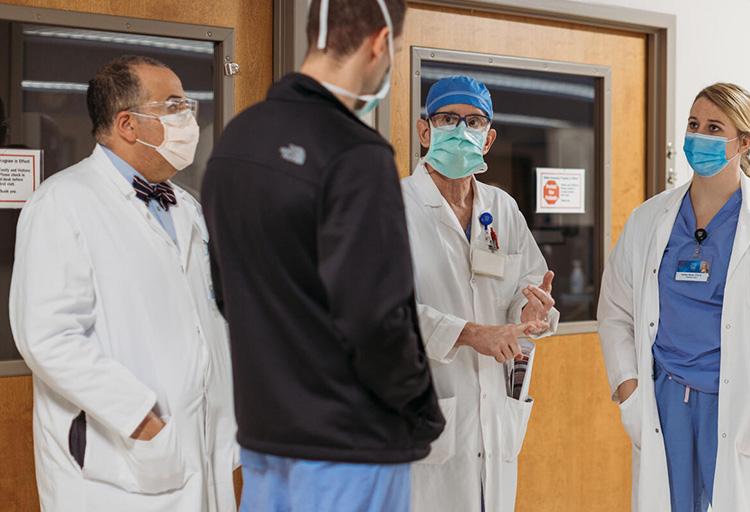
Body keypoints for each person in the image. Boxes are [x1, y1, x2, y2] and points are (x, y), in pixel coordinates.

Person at [201, 1, 444, 511]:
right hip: (350, 446)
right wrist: (421, 408)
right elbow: (376, 318)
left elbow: (226, 292)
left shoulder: (237, 139)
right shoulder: (356, 153)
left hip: (266, 440)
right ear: (380, 43)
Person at [9, 55, 237, 511]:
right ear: (128, 125)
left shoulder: (186, 208)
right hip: (123, 457)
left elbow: (204, 318)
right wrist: (141, 420)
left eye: (187, 106)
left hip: (199, 446)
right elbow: (49, 338)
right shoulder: (62, 203)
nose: (188, 119)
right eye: (173, 106)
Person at [598, 82, 750, 512]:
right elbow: (615, 307)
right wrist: (629, 387)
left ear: (744, 142)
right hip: (665, 399)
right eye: (693, 125)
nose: (698, 136)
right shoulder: (650, 219)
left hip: (743, 402)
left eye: (713, 127)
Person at [403, 75, 559, 512]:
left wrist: (530, 311)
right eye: (447, 119)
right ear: (424, 131)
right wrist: (472, 334)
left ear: (488, 139)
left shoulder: (502, 208)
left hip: (493, 412)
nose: (460, 130)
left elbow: (529, 287)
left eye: (473, 122)